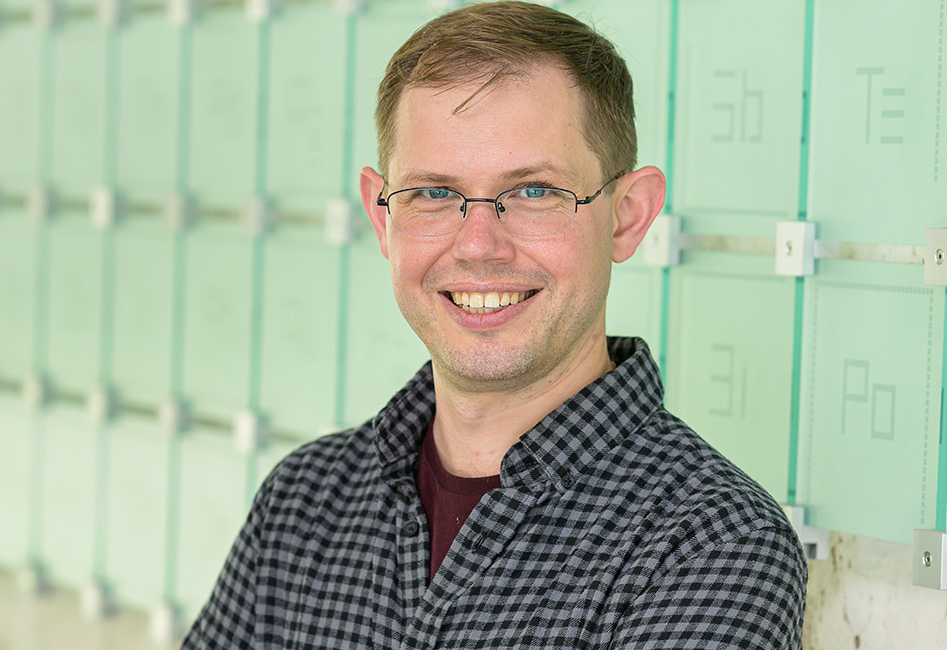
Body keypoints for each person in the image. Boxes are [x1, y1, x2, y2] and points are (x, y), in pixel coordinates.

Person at [183, 2, 805, 647]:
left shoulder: (713, 547)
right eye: (433, 193)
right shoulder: (302, 504)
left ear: (627, 216)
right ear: (381, 216)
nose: (479, 245)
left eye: (535, 191)